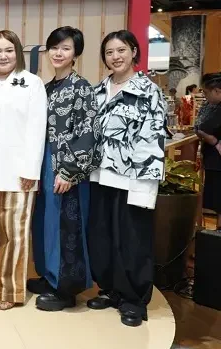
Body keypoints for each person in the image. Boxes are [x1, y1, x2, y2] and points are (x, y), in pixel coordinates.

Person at [87, 30, 167, 327]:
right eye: (109, 52)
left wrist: (145, 188)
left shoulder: (148, 91)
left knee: (132, 240)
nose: (115, 57)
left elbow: (152, 140)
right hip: (98, 177)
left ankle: (133, 299)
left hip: (131, 180)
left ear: (134, 51)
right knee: (102, 237)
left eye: (121, 50)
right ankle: (110, 290)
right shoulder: (98, 90)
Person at [29, 27, 101, 312]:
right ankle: (50, 276)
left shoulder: (81, 87)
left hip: (67, 166)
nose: (58, 53)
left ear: (76, 54)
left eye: (66, 48)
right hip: (45, 163)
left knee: (67, 227)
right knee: (46, 223)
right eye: (54, 47)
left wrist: (69, 171)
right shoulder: (47, 88)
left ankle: (67, 289)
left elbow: (88, 131)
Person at [0, 29, 47, 310]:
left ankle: (9, 289)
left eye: (9, 50)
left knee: (14, 233)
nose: (3, 56)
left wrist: (31, 170)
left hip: (18, 172)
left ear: (18, 53)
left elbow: (37, 129)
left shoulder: (32, 83)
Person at [196, 73, 221, 227]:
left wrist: (212, 139)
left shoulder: (216, 109)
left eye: (206, 93)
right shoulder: (212, 106)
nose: (205, 97)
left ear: (217, 91)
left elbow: (201, 127)